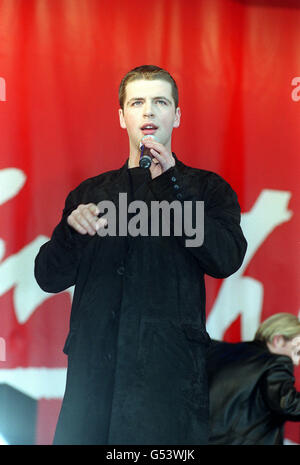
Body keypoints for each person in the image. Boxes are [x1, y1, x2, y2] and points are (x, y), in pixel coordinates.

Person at [34, 65, 247, 445]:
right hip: (94, 379)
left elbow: (226, 258)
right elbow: (48, 277)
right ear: (122, 116)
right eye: (137, 103)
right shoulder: (91, 193)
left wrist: (170, 187)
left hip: (167, 379)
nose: (148, 112)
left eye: (160, 102)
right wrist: (72, 232)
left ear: (176, 115)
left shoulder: (206, 188)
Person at [207, 312, 300, 445]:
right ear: (278, 339)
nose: (296, 362)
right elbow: (288, 404)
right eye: (298, 352)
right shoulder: (277, 362)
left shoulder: (217, 350)